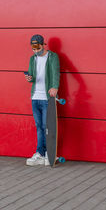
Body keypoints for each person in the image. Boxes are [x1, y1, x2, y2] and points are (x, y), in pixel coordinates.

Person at [25, 34, 60, 166]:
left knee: (47, 127)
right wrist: (30, 78)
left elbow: (56, 73)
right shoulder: (32, 58)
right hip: (35, 97)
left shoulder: (52, 57)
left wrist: (55, 87)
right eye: (33, 48)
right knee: (39, 127)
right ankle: (40, 153)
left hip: (47, 97)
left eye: (37, 47)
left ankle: (49, 154)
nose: (35, 50)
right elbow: (32, 76)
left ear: (43, 44)